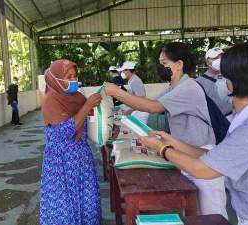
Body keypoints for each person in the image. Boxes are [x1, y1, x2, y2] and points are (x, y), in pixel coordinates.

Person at [141, 39, 248, 225]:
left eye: (222, 77)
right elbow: (216, 156)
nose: (220, 82)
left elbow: (203, 169)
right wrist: (174, 142)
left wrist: (163, 148)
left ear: (232, 83)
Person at [105, 42, 227, 218]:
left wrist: (116, 92)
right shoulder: (174, 87)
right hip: (186, 153)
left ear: (179, 65)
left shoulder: (188, 88)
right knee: (195, 215)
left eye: (164, 64)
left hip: (202, 155)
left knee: (213, 216)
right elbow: (146, 104)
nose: (160, 67)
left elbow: (153, 106)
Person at [40, 59, 102, 225]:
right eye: (68, 77)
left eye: (75, 76)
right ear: (56, 79)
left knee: (86, 204)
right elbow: (65, 131)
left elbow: (88, 124)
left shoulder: (78, 97)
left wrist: (105, 126)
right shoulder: (50, 101)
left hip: (82, 159)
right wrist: (87, 105)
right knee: (64, 208)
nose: (74, 80)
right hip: (61, 165)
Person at [196, 47, 232, 115]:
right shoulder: (199, 83)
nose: (219, 60)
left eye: (221, 57)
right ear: (207, 61)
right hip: (215, 122)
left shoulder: (232, 77)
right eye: (215, 58)